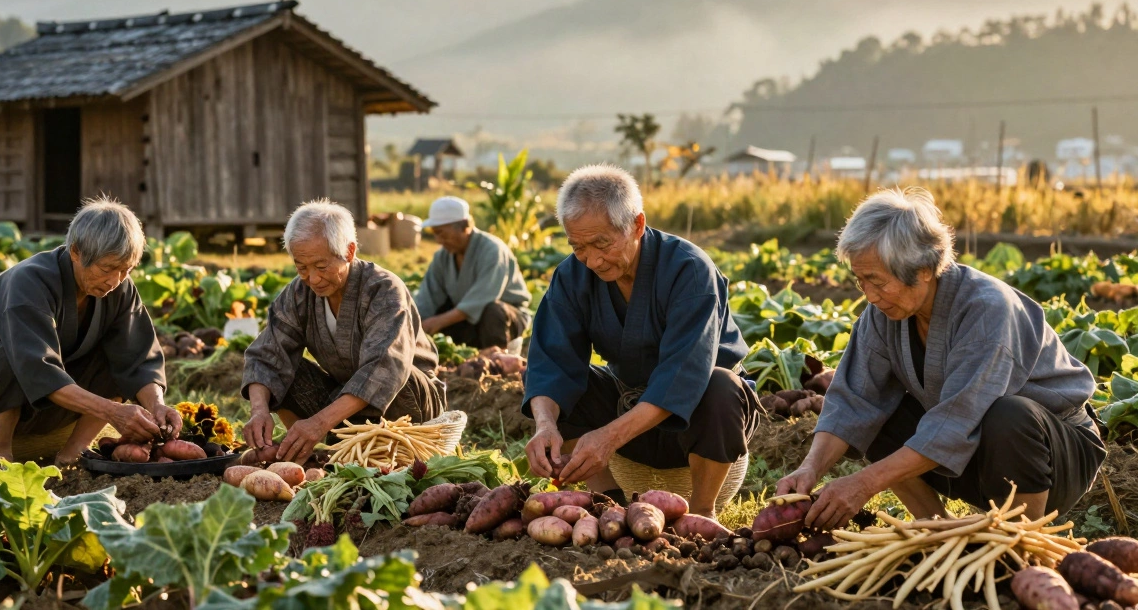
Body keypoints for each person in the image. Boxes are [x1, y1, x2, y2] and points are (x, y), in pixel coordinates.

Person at [777, 188, 1107, 528]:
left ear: (922, 269)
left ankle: (1020, 540)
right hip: (974, 452)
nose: (870, 296)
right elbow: (852, 401)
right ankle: (937, 527)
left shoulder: (986, 309)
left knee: (1009, 415)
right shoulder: (882, 314)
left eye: (877, 281)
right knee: (876, 417)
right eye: (861, 282)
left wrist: (864, 484)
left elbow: (958, 420)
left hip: (1052, 456)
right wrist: (810, 468)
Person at [521, 165, 760, 515]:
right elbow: (550, 362)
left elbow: (684, 376)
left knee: (720, 386)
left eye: (602, 243)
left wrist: (609, 437)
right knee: (560, 387)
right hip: (630, 406)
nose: (592, 260)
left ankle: (702, 512)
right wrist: (545, 425)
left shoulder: (689, 270)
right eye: (578, 247)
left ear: (637, 224)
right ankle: (607, 502)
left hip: (700, 423)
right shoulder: (572, 275)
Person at [0, 197, 180, 476]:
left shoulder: (120, 289)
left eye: (125, 270)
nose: (115, 281)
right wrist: (112, 413)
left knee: (115, 355)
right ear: (76, 252)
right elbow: (37, 369)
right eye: (107, 269)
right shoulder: (28, 282)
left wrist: (157, 405)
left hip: (52, 404)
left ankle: (72, 453)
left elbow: (138, 359)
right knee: (10, 356)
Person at [242, 199, 448, 463]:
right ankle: (307, 452)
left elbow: (384, 368)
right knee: (285, 372)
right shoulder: (300, 292)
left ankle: (351, 446)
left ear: (349, 252)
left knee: (398, 375)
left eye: (321, 266)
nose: (312, 279)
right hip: (345, 402)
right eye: (301, 267)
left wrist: (319, 423)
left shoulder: (383, 290)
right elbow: (266, 354)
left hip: (410, 404)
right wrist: (259, 411)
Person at [414, 196, 532, 350]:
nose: (438, 240)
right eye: (435, 234)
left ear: (465, 227)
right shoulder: (442, 257)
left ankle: (498, 358)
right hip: (470, 322)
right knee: (436, 314)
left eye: (442, 234)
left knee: (493, 311)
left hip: (505, 319)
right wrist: (414, 322)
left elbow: (482, 298)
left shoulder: (492, 250)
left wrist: (438, 322)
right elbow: (427, 297)